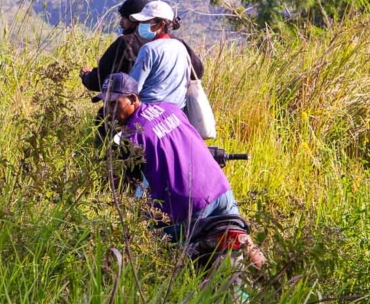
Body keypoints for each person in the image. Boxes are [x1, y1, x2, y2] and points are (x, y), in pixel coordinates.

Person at [93, 72, 264, 269]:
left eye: (114, 103)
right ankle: (272, 280)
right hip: (220, 188)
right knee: (243, 241)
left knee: (175, 261)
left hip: (190, 206)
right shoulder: (169, 108)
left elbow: (123, 185)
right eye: (105, 104)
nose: (108, 110)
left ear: (133, 98)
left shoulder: (131, 136)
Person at [80, 0, 148, 145]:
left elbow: (100, 80)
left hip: (126, 108)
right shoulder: (171, 43)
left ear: (135, 19)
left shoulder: (125, 43)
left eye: (124, 18)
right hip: (165, 109)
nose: (121, 23)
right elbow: (198, 69)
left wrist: (86, 76)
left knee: (105, 122)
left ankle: (106, 162)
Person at [128, 0, 204, 111]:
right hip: (177, 113)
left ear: (161, 24)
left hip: (150, 113)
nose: (141, 26)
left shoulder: (149, 49)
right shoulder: (180, 46)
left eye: (146, 22)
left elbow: (132, 88)